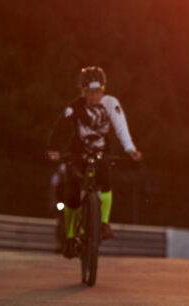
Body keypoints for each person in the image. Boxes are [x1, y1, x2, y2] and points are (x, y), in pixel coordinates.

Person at [46, 66, 142, 258]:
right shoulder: (74, 107)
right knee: (73, 193)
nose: (94, 97)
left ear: (103, 90)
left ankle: (104, 224)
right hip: (78, 152)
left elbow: (121, 127)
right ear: (82, 92)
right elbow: (60, 127)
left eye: (98, 92)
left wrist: (130, 149)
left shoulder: (111, 104)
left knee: (106, 180)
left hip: (102, 151)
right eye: (89, 93)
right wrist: (53, 148)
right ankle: (70, 238)